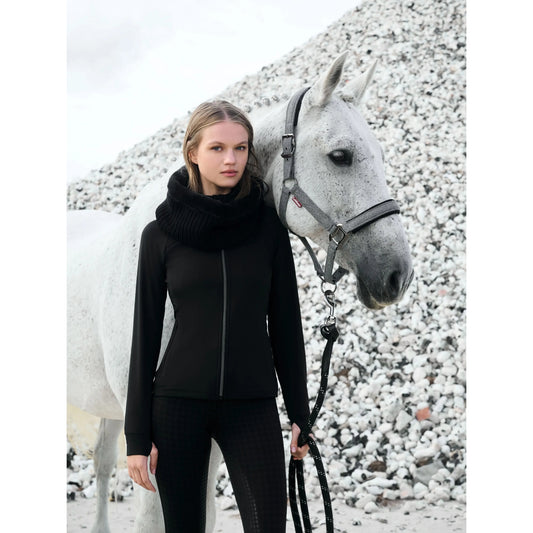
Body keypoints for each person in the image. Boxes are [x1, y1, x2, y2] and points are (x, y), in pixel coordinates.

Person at [124, 100, 311, 532]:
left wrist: (300, 413)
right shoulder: (160, 236)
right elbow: (144, 337)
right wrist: (136, 437)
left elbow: (286, 325)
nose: (232, 160)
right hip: (177, 407)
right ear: (193, 152)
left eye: (241, 148)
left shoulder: (268, 230)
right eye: (218, 148)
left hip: (252, 405)